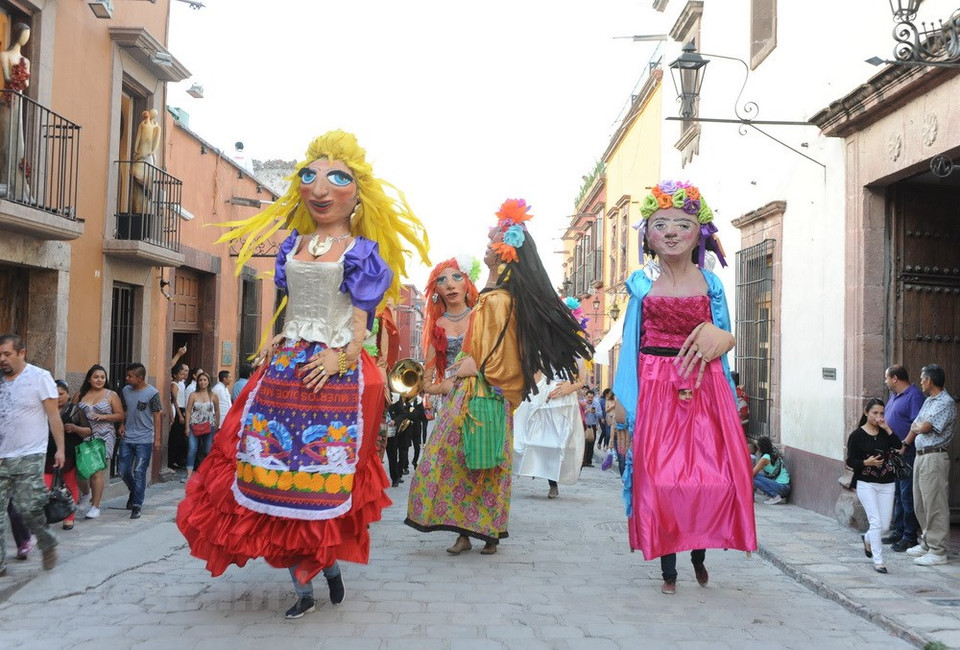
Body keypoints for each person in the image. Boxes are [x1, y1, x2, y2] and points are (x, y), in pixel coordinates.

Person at [176, 130, 430, 619]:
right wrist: (279, 336)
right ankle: (314, 574)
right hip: (288, 367)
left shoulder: (361, 252)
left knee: (318, 474)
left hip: (329, 372)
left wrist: (342, 357)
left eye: (337, 177)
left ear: (357, 194)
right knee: (270, 471)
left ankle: (319, 571)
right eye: (309, 176)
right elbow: (293, 308)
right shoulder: (294, 244)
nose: (319, 188)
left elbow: (361, 322)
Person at [405, 198, 592, 555]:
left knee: (480, 461)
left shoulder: (498, 300)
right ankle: (466, 531)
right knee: (465, 460)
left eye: (493, 241)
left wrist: (478, 368)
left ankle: (487, 531)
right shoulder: (492, 297)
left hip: (483, 395)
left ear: (504, 252)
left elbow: (498, 354)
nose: (487, 245)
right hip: (470, 394)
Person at [613, 181, 756, 595]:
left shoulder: (711, 284)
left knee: (710, 478)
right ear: (648, 236)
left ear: (700, 232)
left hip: (704, 385)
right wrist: (627, 399)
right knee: (660, 481)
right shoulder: (641, 283)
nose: (671, 231)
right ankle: (669, 571)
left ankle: (700, 554)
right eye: (660, 224)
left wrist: (722, 339)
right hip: (656, 383)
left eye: (682, 222)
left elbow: (727, 334)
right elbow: (631, 340)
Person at [0, 333, 63, 575]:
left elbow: (53, 416)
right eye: (0, 355)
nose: (3, 359)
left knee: (28, 508)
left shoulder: (39, 377)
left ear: (21, 353)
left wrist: (60, 448)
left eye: (7, 354)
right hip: (2, 455)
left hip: (29, 454)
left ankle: (47, 543)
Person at [902, 365, 956, 566]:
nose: (921, 382)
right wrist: (918, 427)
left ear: (931, 380)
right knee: (921, 503)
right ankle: (926, 543)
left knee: (935, 504)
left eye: (923, 379)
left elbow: (923, 426)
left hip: (934, 457)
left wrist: (919, 426)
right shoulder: (929, 402)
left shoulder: (946, 402)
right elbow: (914, 425)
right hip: (921, 456)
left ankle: (938, 550)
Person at [512, 357, 587, 500]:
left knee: (558, 444)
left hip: (564, 401)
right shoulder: (543, 351)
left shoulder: (576, 353)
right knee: (535, 438)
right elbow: (537, 374)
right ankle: (534, 468)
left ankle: (553, 482)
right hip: (544, 396)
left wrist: (569, 387)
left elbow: (583, 380)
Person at [845, 398, 903, 574]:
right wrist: (866, 462)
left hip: (887, 483)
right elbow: (850, 461)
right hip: (866, 483)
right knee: (876, 522)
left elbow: (898, 446)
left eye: (881, 413)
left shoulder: (885, 432)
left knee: (884, 526)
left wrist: (886, 427)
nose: (878, 416)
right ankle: (878, 561)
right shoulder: (856, 435)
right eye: (875, 413)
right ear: (866, 413)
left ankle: (868, 538)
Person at [881, 365, 924, 552]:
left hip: (907, 452)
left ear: (895, 378)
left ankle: (909, 536)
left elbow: (916, 424)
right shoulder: (894, 396)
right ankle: (899, 530)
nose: (885, 381)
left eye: (886, 378)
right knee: (898, 493)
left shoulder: (914, 395)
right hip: (895, 453)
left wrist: (904, 444)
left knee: (907, 495)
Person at [75, 364, 124, 519]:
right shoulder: (80, 395)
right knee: (81, 470)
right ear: (89, 379)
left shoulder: (111, 395)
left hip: (104, 436)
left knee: (97, 471)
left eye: (102, 377)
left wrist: (103, 417)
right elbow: (73, 412)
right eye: (96, 377)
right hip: (83, 435)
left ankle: (95, 507)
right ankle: (86, 493)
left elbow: (120, 415)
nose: (99, 379)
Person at [44, 380, 92, 530]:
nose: (58, 397)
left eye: (61, 394)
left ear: (68, 394)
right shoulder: (45, 410)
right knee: (44, 485)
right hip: (47, 454)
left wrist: (75, 428)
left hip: (69, 454)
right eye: (55, 394)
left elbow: (88, 431)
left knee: (70, 484)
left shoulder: (75, 410)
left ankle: (69, 517)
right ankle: (44, 517)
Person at [118, 363, 163, 520]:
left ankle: (137, 504)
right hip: (127, 436)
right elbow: (125, 410)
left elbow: (157, 415)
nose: (127, 378)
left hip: (145, 438)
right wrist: (122, 424)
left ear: (140, 378)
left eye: (130, 376)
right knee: (122, 470)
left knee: (139, 471)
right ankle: (134, 491)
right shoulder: (126, 390)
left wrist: (157, 439)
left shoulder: (152, 393)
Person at [0, 24, 30, 198]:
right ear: (18, 34)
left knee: (17, 140)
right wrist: (17, 77)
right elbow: (6, 77)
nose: (26, 38)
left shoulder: (26, 61)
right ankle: (4, 179)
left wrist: (21, 78)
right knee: (5, 141)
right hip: (7, 100)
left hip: (18, 100)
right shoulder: (4, 55)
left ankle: (16, 183)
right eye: (25, 34)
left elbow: (26, 84)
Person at [184, 371, 219, 481]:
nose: (202, 382)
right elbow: (188, 411)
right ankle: (189, 474)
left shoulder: (213, 395)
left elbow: (217, 411)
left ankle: (205, 473)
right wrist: (186, 427)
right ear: (197, 382)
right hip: (194, 425)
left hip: (209, 426)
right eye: (200, 380)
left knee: (207, 450)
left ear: (208, 381)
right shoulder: (193, 395)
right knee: (192, 449)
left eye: (205, 380)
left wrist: (217, 426)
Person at [752, 437, 791, 505]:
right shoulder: (773, 453)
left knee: (752, 479)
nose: (757, 448)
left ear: (761, 447)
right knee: (757, 476)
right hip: (785, 487)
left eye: (758, 446)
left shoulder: (765, 458)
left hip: (781, 487)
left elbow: (752, 473)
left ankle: (774, 496)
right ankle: (775, 495)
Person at [168, 362, 189, 470]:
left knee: (180, 437)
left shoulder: (182, 383)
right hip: (177, 411)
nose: (183, 375)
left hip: (182, 409)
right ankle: (172, 460)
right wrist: (180, 415)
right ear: (175, 375)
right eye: (180, 374)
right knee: (175, 437)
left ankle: (178, 459)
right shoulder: (174, 385)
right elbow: (174, 401)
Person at [582, 389, 599, 465]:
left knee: (591, 443)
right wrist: (586, 412)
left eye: (591, 397)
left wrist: (595, 412)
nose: (590, 399)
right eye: (588, 397)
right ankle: (583, 461)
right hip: (584, 426)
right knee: (584, 444)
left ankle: (589, 461)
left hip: (592, 426)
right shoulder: (583, 403)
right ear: (586, 397)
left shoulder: (596, 404)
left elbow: (601, 415)